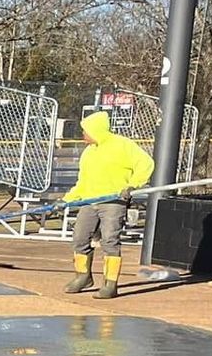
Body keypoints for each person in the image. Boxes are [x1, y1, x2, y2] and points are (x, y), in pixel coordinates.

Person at [64, 109, 154, 300]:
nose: (83, 135)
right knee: (80, 238)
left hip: (113, 201)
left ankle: (110, 284)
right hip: (89, 201)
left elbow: (146, 164)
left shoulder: (123, 145)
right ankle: (83, 276)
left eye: (86, 131)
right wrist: (67, 199)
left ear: (96, 130)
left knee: (110, 241)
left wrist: (133, 184)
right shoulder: (88, 153)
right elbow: (83, 181)